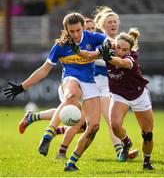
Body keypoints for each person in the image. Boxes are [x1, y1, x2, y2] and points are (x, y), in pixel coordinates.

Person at [4, 12, 107, 172]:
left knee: (92, 127)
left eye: (78, 30)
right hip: (70, 79)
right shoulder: (60, 46)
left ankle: (71, 163)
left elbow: (111, 43)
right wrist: (22, 86)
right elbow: (44, 70)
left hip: (89, 83)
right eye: (71, 31)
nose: (76, 34)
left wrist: (111, 47)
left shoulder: (93, 38)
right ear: (66, 30)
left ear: (83, 28)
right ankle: (48, 135)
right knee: (72, 96)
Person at [99, 28, 154, 170]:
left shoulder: (131, 58)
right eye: (118, 47)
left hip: (139, 94)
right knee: (115, 125)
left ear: (130, 50)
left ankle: (146, 162)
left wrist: (109, 57)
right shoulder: (108, 50)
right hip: (119, 95)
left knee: (147, 134)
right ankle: (126, 142)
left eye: (125, 50)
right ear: (114, 45)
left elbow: (122, 63)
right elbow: (91, 55)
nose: (121, 52)